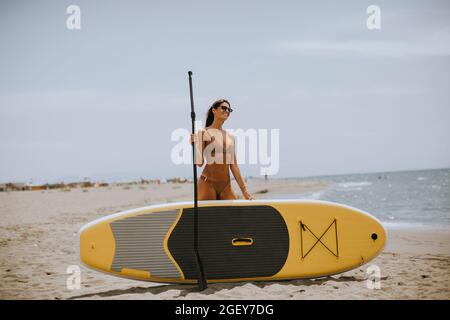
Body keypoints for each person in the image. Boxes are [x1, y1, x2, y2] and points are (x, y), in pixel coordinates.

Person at [190, 99, 254, 200]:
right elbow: (199, 163)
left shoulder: (230, 137)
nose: (227, 111)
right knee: (209, 216)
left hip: (225, 186)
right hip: (208, 183)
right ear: (214, 110)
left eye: (229, 109)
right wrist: (194, 145)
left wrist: (244, 191)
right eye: (224, 108)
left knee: (235, 214)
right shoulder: (204, 132)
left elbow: (234, 167)